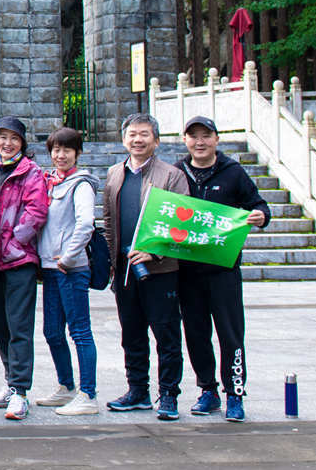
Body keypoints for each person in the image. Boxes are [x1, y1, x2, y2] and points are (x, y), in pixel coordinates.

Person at [176, 115, 269, 422]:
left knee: (230, 335)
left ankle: (235, 394)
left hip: (223, 271)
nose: (199, 142)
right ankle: (208, 390)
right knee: (196, 333)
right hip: (188, 272)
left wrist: (259, 216)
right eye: (194, 136)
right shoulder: (177, 173)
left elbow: (260, 205)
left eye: (206, 136)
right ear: (185, 140)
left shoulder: (233, 172)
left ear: (216, 139)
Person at [103, 112, 192, 420]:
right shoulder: (115, 173)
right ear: (123, 138)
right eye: (132, 134)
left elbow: (183, 222)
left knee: (166, 333)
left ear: (156, 140)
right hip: (125, 271)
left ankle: (168, 394)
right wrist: (114, 264)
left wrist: (154, 254)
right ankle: (137, 390)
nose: (137, 139)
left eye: (144, 134)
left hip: (160, 272)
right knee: (132, 334)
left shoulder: (171, 175)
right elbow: (109, 223)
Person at [0, 117, 50, 420]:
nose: (7, 143)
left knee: (19, 326)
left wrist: (12, 240)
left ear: (22, 142)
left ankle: (21, 391)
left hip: (18, 260)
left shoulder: (31, 173)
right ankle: (10, 380)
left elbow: (36, 212)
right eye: (2, 138)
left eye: (14, 138)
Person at [36, 126, 101, 416]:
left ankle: (88, 395)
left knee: (80, 332)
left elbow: (86, 223)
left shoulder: (80, 184)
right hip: (50, 269)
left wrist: (69, 257)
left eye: (67, 150)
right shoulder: (51, 184)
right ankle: (66, 386)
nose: (60, 155)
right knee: (52, 331)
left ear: (77, 153)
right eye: (56, 150)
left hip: (70, 270)